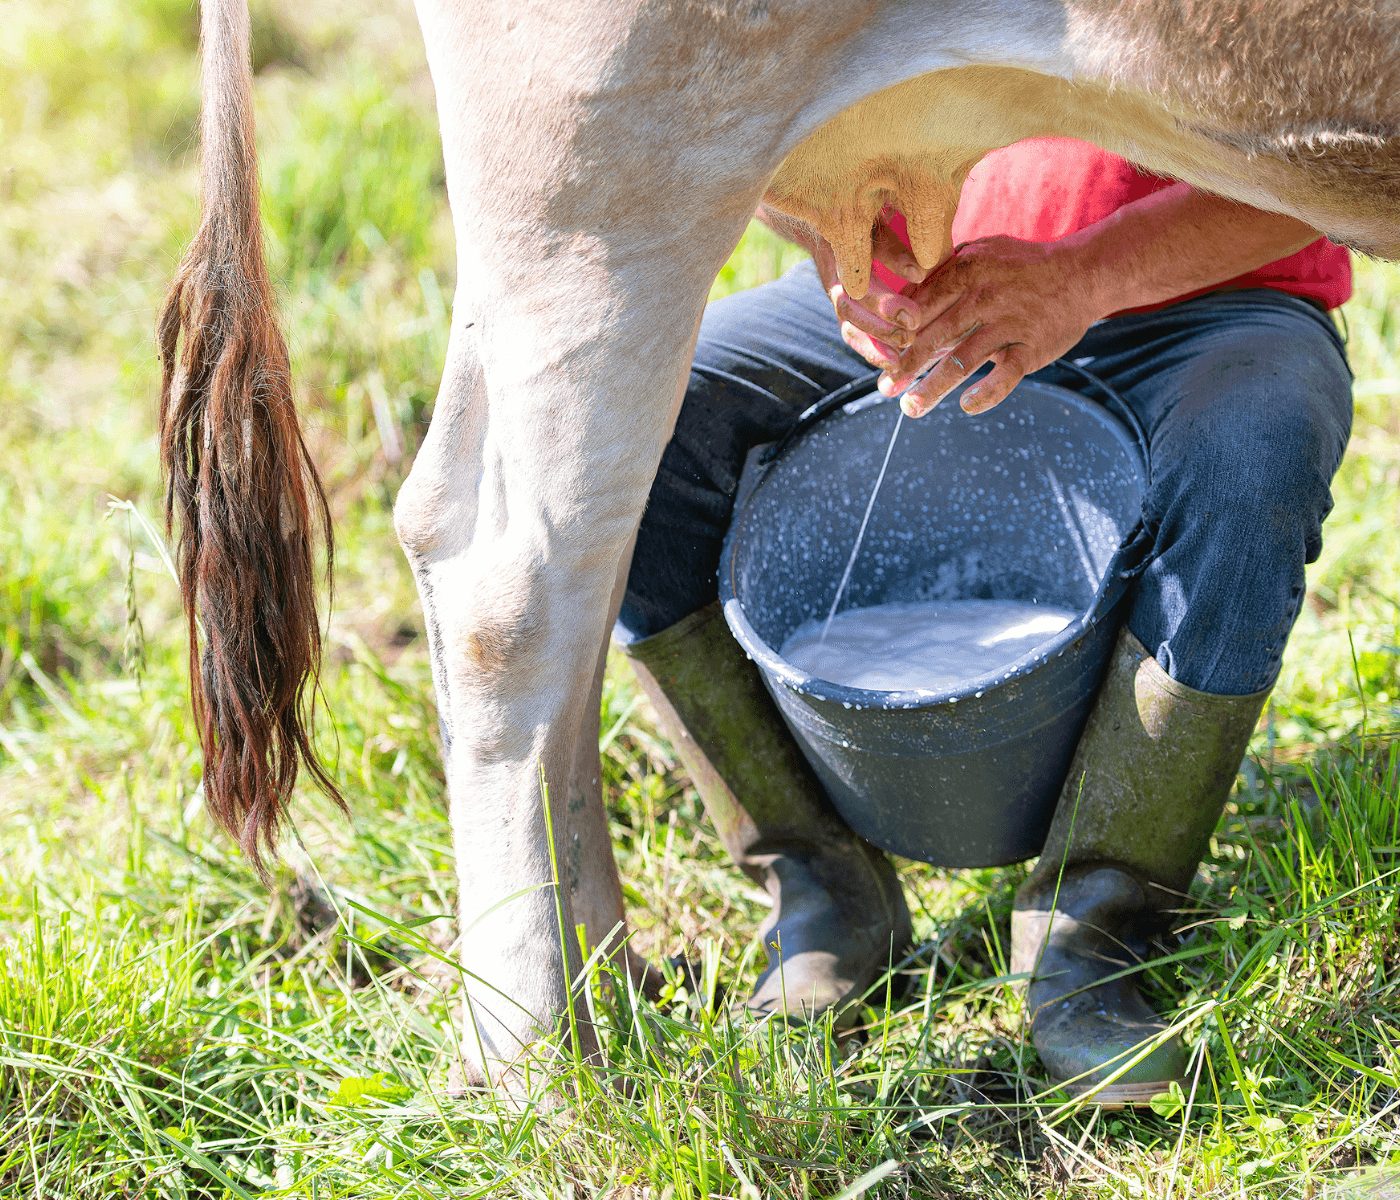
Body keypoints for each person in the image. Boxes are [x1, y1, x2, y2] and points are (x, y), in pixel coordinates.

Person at [614, 138, 1353, 1105]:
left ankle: (1096, 927)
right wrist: (836, 242)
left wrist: (1088, 272)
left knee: (1254, 460)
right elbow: (738, 93)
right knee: (634, 429)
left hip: (1208, 298)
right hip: (929, 295)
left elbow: (1359, 150)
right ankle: (824, 889)